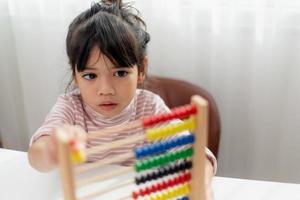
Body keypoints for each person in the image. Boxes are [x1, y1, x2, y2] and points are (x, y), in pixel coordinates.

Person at [28, 0, 216, 197]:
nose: (106, 90)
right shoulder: (70, 108)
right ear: (75, 75)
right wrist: (52, 149)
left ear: (141, 69)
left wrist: (201, 182)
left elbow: (195, 153)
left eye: (120, 73)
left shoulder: (149, 108)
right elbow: (37, 154)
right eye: (90, 76)